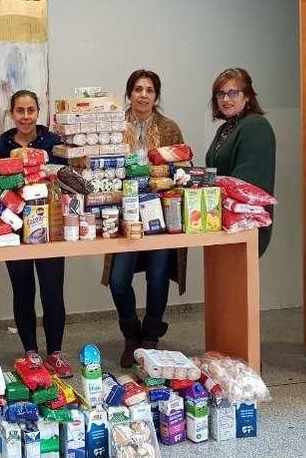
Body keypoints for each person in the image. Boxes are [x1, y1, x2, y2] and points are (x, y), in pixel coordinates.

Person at [102, 69, 188, 368]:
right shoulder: (113, 125)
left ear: (156, 95)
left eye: (149, 90)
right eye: (137, 89)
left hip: (161, 215)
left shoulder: (169, 128)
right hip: (124, 212)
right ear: (129, 93)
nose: (143, 95)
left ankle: (150, 337)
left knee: (158, 274)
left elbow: (182, 168)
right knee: (118, 279)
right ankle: (131, 333)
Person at [0, 89, 72, 378]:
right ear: (12, 113)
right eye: (20, 111)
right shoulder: (0, 146)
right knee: (22, 290)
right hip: (14, 230)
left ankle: (56, 353)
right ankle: (31, 353)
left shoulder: (53, 142)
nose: (25, 116)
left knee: (53, 292)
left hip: (50, 230)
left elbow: (67, 182)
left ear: (39, 111)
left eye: (30, 110)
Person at [205, 67, 276, 256]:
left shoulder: (255, 126)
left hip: (246, 225)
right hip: (224, 223)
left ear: (247, 97)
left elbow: (246, 184)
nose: (225, 99)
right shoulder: (225, 129)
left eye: (232, 93)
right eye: (220, 94)